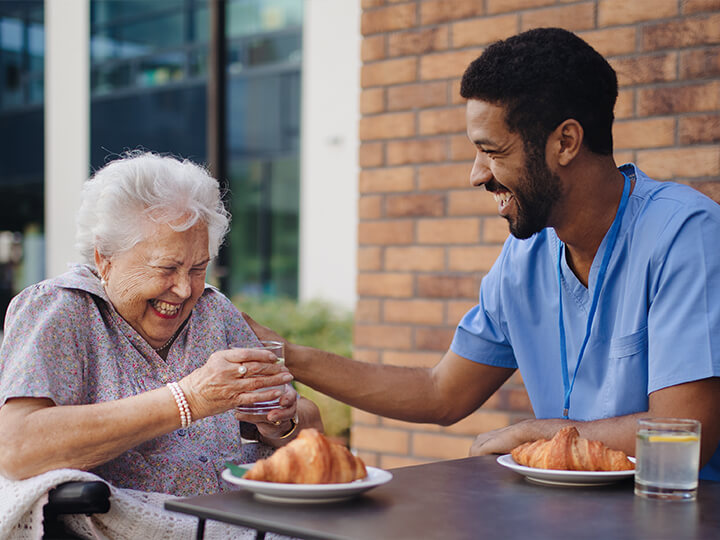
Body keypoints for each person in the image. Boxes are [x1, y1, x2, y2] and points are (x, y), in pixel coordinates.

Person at [245, 27, 720, 480]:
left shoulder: (685, 234)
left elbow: (685, 433)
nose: (477, 174)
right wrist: (283, 354)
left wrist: (539, 434)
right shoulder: (526, 258)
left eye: (491, 151)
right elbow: (440, 392)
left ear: (566, 142)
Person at [0, 152, 323, 496]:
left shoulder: (213, 310)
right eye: (166, 268)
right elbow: (16, 448)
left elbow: (310, 424)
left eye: (198, 268)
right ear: (104, 259)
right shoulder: (62, 310)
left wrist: (280, 422)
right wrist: (189, 399)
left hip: (250, 521)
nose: (185, 290)